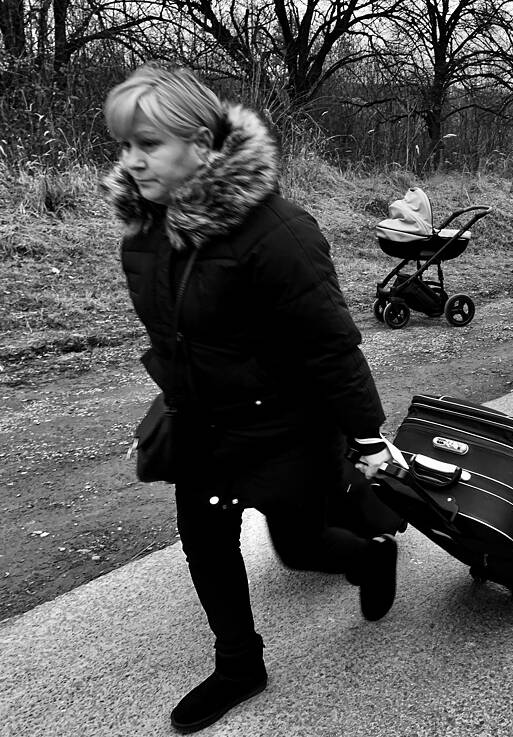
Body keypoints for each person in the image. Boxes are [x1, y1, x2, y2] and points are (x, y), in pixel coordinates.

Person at [101, 65, 398, 734]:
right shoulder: (145, 234)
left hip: (283, 427)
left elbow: (330, 345)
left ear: (201, 144)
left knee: (298, 545)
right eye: (125, 145)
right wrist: (164, 408)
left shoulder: (279, 233)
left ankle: (370, 553)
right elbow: (179, 336)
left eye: (148, 143)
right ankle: (240, 665)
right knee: (205, 541)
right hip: (204, 426)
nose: (132, 160)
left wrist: (367, 436)